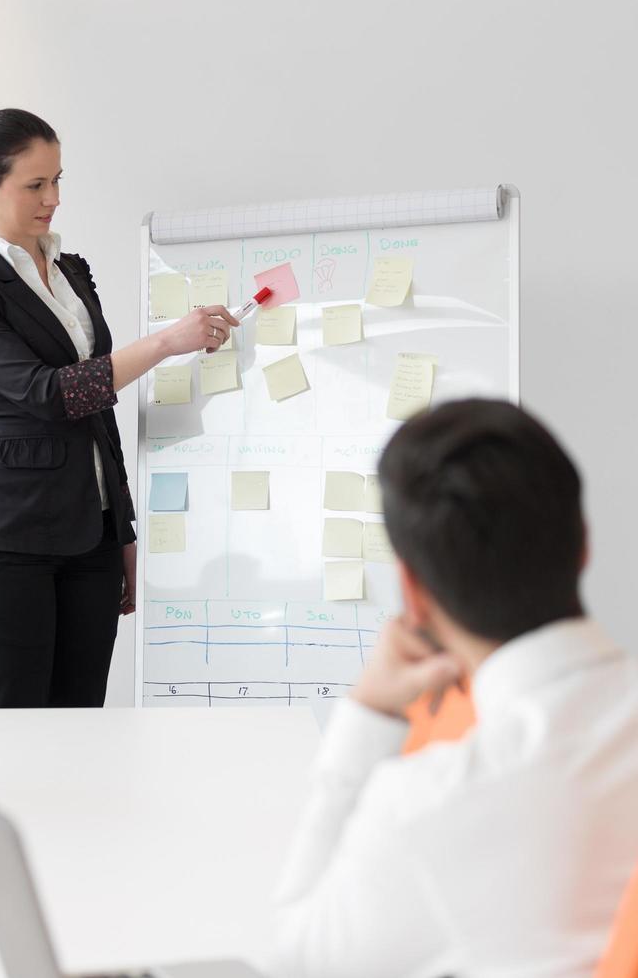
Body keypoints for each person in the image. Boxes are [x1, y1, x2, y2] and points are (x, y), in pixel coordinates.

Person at [263, 399, 638, 977]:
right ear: (584, 542)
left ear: (412, 592)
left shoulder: (429, 810)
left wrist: (369, 713)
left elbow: (293, 960)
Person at [0, 103, 240, 708]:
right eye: (35, 185)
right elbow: (52, 394)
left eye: (58, 180)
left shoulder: (72, 270)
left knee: (84, 731)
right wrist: (167, 342)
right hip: (9, 538)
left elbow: (99, 414)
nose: (53, 199)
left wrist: (119, 529)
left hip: (91, 537)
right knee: (15, 735)